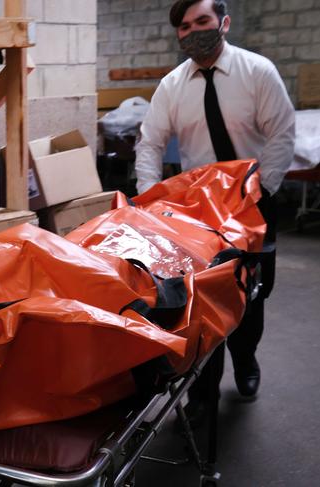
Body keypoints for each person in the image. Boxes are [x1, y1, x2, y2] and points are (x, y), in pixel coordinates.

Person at [134, 0, 295, 421]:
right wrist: (150, 200)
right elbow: (149, 142)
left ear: (223, 22)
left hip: (253, 204)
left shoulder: (256, 72)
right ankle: (202, 392)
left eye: (202, 21)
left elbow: (281, 134)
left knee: (253, 295)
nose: (193, 31)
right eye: (184, 27)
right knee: (200, 300)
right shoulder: (172, 85)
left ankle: (247, 361)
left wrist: (261, 192)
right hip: (201, 211)